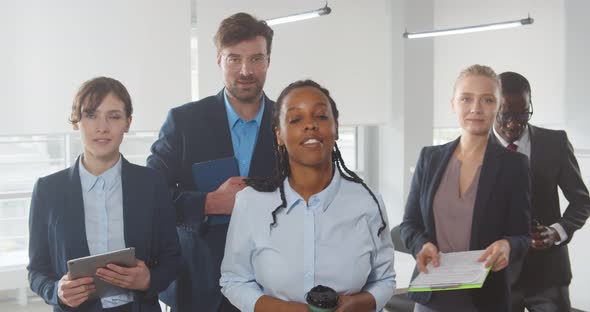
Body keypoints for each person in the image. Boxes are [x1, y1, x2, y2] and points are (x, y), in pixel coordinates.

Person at [220, 80, 396, 312]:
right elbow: (234, 280)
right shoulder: (251, 203)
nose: (311, 125)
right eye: (295, 119)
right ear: (279, 135)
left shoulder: (368, 202)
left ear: (335, 128)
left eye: (321, 116)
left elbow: (384, 280)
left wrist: (356, 304)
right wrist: (287, 310)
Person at [147, 12, 276, 311]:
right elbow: (152, 196)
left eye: (256, 59)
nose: (246, 70)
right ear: (219, 60)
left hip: (274, 287)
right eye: (234, 59)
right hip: (199, 285)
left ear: (268, 61)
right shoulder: (184, 122)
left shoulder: (290, 123)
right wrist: (209, 203)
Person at [27, 77, 180, 312]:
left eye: (114, 116)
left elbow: (172, 258)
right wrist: (57, 291)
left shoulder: (152, 184)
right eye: (91, 115)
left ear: (128, 123)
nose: (102, 127)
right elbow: (37, 271)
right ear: (76, 122)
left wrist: (149, 279)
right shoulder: (48, 191)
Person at [400, 65, 531, 311]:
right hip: (432, 295)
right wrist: (422, 245)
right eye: (466, 98)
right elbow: (409, 223)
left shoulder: (514, 165)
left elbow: (522, 235)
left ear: (498, 106)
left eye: (487, 99)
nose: (476, 108)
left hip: (485, 300)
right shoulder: (430, 158)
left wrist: (508, 246)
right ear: (453, 104)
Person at [492, 71, 590, 312]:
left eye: (523, 113)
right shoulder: (475, 149)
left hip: (548, 276)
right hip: (497, 276)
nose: (514, 123)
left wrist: (556, 232)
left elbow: (582, 201)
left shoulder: (554, 143)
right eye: (505, 115)